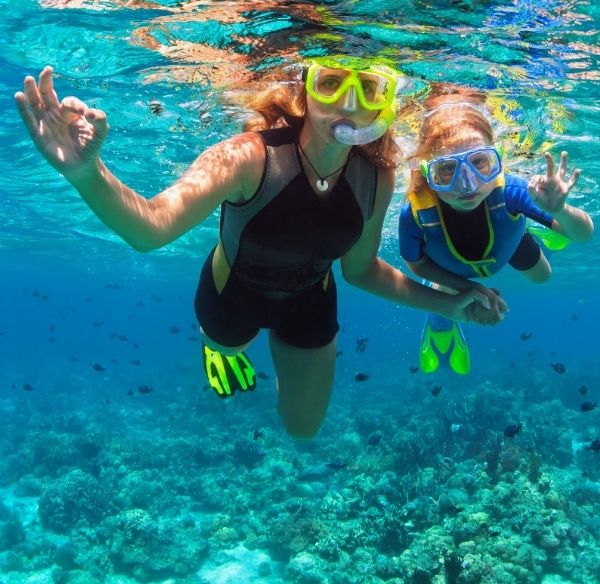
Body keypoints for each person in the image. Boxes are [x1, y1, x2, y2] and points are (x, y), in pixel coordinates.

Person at [16, 60, 496, 439]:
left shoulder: (378, 176)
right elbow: (151, 229)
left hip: (311, 298)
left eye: (369, 89)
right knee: (227, 344)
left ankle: (271, 359)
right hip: (233, 292)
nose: (348, 102)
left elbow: (362, 270)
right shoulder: (249, 156)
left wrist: (452, 304)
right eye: (331, 84)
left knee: (303, 429)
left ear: (384, 107)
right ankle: (221, 348)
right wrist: (85, 173)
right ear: (305, 92)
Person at [399, 87, 594, 376]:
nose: (467, 185)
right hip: (450, 268)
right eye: (447, 170)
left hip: (508, 240)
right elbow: (415, 264)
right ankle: (441, 323)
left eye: (480, 163)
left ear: (497, 159)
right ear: (428, 173)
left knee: (543, 276)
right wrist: (470, 289)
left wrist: (559, 211)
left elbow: (584, 234)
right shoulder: (415, 212)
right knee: (446, 292)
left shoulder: (512, 191)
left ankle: (541, 224)